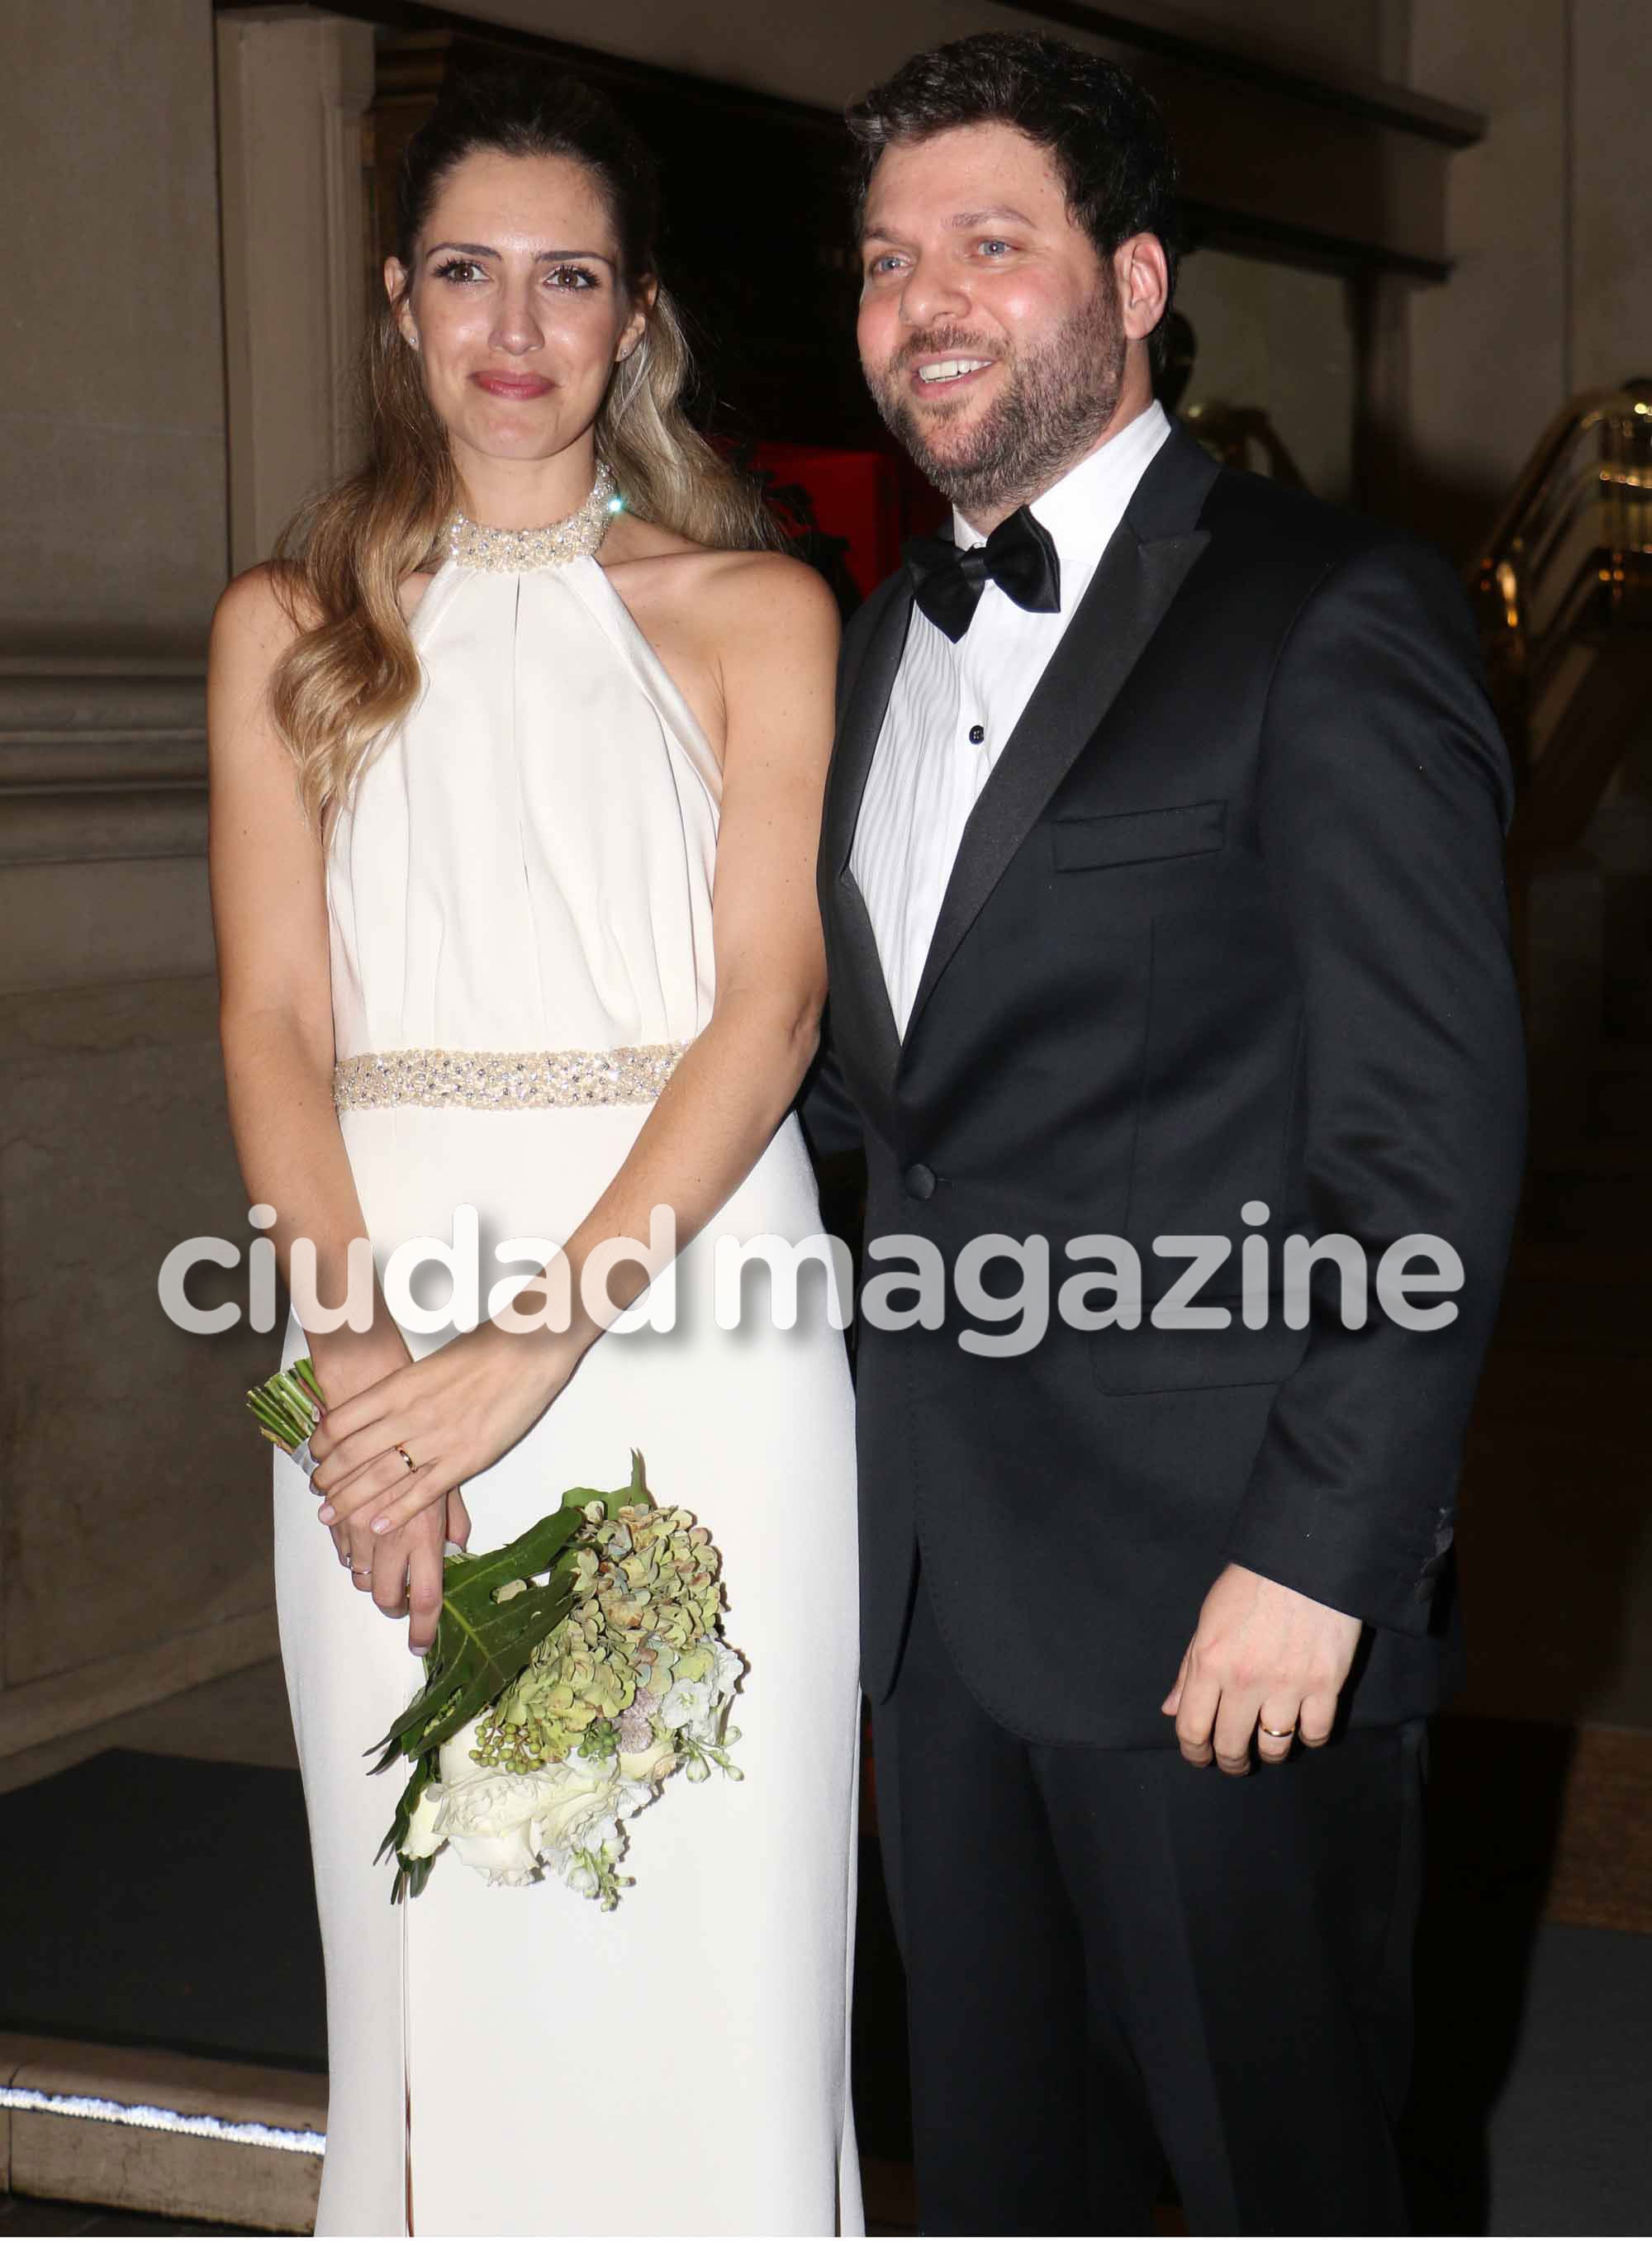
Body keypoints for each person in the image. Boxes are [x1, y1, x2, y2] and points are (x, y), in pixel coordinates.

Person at [801, 31, 1526, 2237]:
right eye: (886, 258)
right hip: (934, 1606)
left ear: (1132, 282)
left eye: (989, 244)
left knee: (1282, 2180)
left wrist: (1321, 1555)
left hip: (1232, 1607)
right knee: (1015, 2181)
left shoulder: (1332, 616)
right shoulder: (854, 656)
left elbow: (1427, 1145)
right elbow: (873, 1124)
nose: (924, 302)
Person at [207, 67, 862, 2239]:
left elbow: (768, 1010)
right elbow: (275, 1023)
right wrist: (364, 1395)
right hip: (379, 1326)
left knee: (706, 1945)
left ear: (634, 321)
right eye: (467, 272)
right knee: (438, 1945)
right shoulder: (284, 630)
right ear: (398, 305)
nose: (516, 322)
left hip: (693, 1310)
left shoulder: (757, 615)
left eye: (566, 277)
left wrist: (520, 1357)